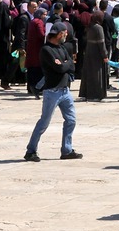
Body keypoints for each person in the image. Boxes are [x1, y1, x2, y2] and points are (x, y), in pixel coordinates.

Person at [23, 23, 82, 162]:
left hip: (65, 91)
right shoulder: (46, 50)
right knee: (44, 123)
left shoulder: (62, 47)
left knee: (71, 120)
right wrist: (65, 64)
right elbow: (60, 69)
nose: (66, 36)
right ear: (59, 34)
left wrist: (64, 63)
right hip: (52, 91)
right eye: (65, 33)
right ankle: (31, 151)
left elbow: (72, 66)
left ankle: (67, 150)